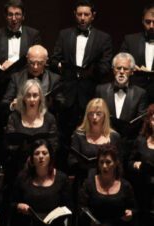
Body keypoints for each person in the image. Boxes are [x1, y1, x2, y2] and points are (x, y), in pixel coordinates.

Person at [50, 0, 113, 151]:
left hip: (90, 92)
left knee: (89, 134)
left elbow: (106, 65)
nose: (83, 18)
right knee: (64, 134)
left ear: (93, 16)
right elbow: (54, 60)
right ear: (75, 15)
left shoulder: (103, 38)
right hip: (67, 93)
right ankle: (64, 171)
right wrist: (63, 68)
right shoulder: (64, 34)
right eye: (79, 14)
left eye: (86, 14)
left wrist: (91, 71)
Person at [0, 0, 41, 165]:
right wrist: (0, 66)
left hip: (27, 90)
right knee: (3, 132)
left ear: (23, 16)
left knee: (28, 130)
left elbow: (37, 60)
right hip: (2, 91)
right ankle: (1, 169)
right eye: (10, 14)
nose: (13, 18)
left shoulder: (33, 35)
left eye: (17, 14)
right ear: (5, 16)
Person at [1, 79, 58, 226]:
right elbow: (8, 145)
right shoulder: (14, 117)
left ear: (41, 98)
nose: (32, 99)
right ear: (23, 98)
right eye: (28, 95)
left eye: (35, 95)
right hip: (18, 168)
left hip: (43, 170)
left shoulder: (49, 118)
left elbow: (54, 146)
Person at [11, 139, 72, 226]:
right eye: (36, 153)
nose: (40, 156)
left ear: (50, 156)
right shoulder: (23, 178)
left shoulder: (62, 178)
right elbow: (11, 204)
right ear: (32, 158)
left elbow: (68, 207)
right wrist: (18, 206)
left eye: (44, 153)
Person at [79, 144, 135, 226]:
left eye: (108, 162)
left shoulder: (125, 186)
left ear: (116, 163)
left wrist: (130, 213)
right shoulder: (89, 184)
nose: (104, 166)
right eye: (101, 162)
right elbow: (81, 208)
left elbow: (133, 208)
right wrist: (89, 221)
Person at [69, 98, 121, 184]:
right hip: (83, 180)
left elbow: (119, 163)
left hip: (108, 181)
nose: (94, 117)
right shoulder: (78, 135)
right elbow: (71, 161)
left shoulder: (114, 136)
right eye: (91, 114)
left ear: (105, 115)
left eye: (98, 114)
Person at [121, 3, 154, 103]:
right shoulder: (130, 40)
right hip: (134, 95)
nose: (151, 26)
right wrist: (130, 67)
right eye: (148, 22)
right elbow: (119, 63)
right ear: (142, 21)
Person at [128, 104, 154, 226]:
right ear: (149, 121)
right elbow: (129, 162)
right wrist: (135, 165)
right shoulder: (141, 140)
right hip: (142, 191)